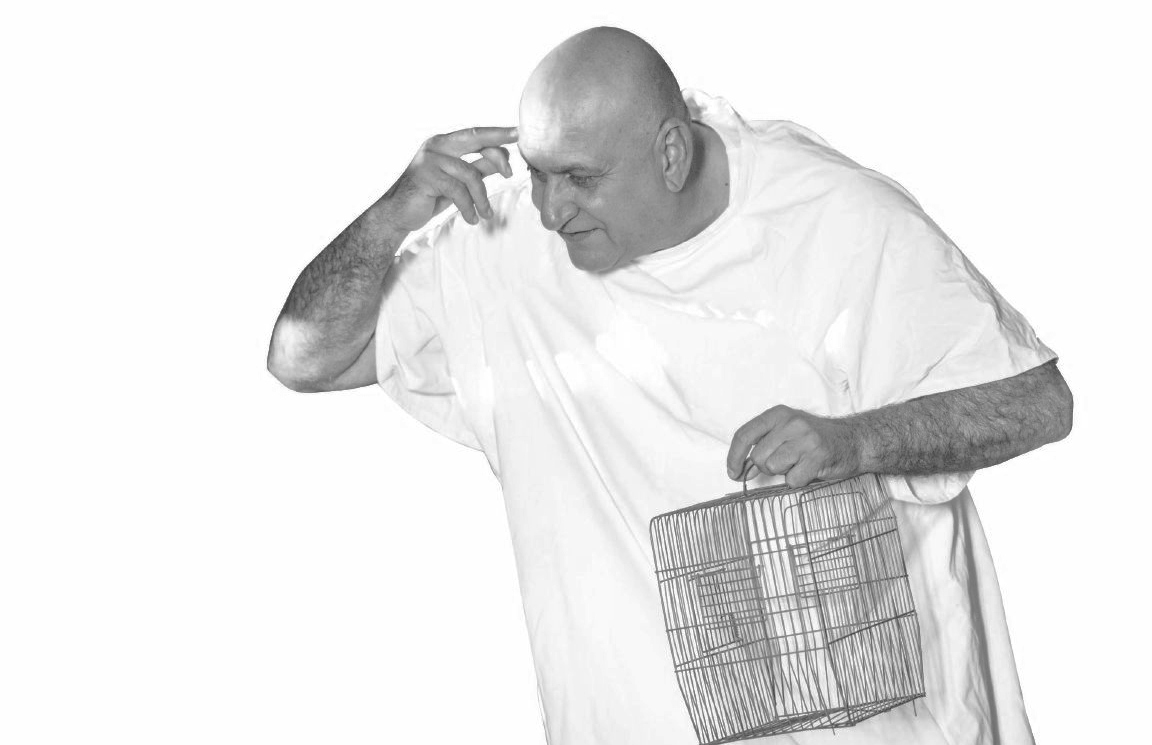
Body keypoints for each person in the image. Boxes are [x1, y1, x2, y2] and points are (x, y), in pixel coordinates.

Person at [267, 26, 1072, 745]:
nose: (550, 210)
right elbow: (304, 357)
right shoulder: (502, 243)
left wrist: (854, 440)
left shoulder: (836, 221)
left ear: (672, 154)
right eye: (539, 174)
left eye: (578, 177)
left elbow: (1038, 402)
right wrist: (391, 215)